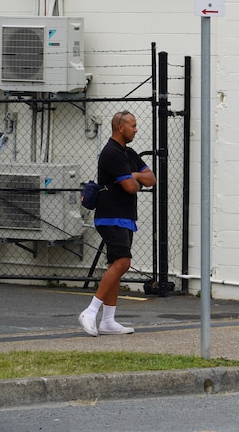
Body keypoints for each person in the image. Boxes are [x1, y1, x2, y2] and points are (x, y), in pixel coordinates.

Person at [79, 111, 156, 336]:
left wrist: (133, 175)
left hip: (125, 217)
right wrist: (134, 180)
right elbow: (131, 188)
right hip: (110, 216)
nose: (136, 129)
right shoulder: (111, 153)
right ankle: (90, 312)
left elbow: (151, 179)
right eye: (133, 125)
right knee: (122, 262)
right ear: (120, 128)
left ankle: (108, 321)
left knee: (117, 265)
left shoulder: (128, 153)